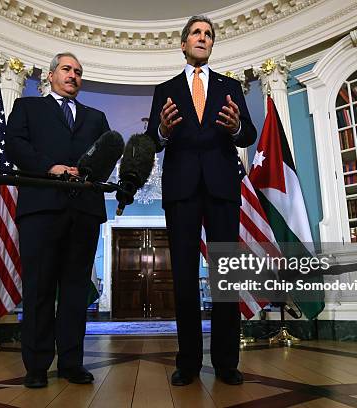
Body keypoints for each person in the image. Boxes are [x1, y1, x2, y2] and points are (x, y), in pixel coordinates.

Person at [146, 15, 257, 386]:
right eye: (196, 32)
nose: (203, 38)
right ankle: (188, 363)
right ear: (183, 44)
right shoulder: (165, 89)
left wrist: (236, 126)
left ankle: (227, 363)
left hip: (223, 188)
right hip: (181, 191)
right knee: (184, 278)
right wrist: (162, 129)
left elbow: (248, 133)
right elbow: (152, 140)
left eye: (209, 34)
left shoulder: (231, 86)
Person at [5, 52, 110, 388]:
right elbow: (15, 145)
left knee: (75, 291)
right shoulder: (26, 108)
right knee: (39, 289)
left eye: (79, 71)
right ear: (50, 76)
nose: (73, 75)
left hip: (84, 212)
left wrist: (89, 172)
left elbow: (108, 154)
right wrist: (50, 168)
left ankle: (71, 363)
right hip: (41, 209)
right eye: (67, 69)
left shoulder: (96, 117)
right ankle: (36, 366)